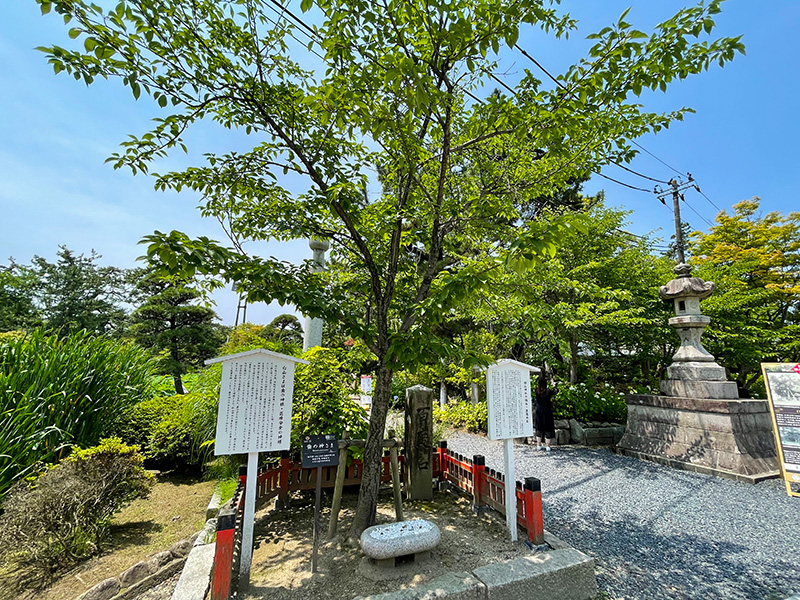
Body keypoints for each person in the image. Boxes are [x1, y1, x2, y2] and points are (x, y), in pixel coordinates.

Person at [534, 374, 557, 451]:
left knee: (539, 427)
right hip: (547, 410)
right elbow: (556, 391)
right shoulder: (548, 392)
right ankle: (547, 446)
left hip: (539, 410)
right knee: (548, 428)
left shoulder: (536, 390)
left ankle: (538, 444)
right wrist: (553, 384)